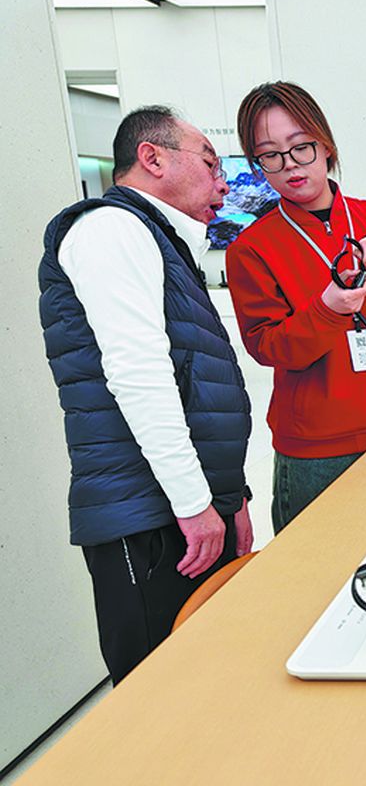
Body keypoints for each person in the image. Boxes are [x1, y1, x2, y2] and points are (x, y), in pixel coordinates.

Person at [39, 106, 254, 684]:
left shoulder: (162, 243)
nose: (224, 182)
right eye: (210, 162)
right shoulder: (111, 229)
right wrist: (194, 505)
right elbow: (140, 377)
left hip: (188, 510)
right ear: (152, 158)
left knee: (206, 678)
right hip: (150, 518)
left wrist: (231, 500)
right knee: (156, 694)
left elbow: (197, 387)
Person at [226, 82, 366, 533]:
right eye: (269, 155)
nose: (289, 165)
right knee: (316, 581)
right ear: (257, 165)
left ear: (325, 146)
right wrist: (327, 310)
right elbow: (268, 347)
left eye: (301, 147)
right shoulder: (252, 248)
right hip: (315, 452)